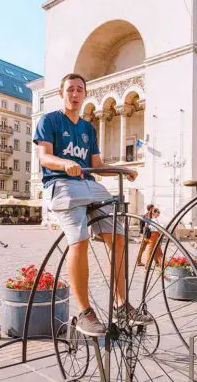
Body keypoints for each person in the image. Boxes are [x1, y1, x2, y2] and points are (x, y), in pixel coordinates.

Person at [34, 73, 152, 337]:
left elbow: (96, 166)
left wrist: (121, 170)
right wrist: (65, 163)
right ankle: (85, 312)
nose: (74, 94)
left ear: (84, 94)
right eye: (70, 90)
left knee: (119, 236)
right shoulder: (50, 120)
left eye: (79, 90)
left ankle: (121, 304)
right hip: (60, 185)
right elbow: (44, 156)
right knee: (80, 239)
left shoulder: (88, 129)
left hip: (88, 185)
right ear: (61, 94)